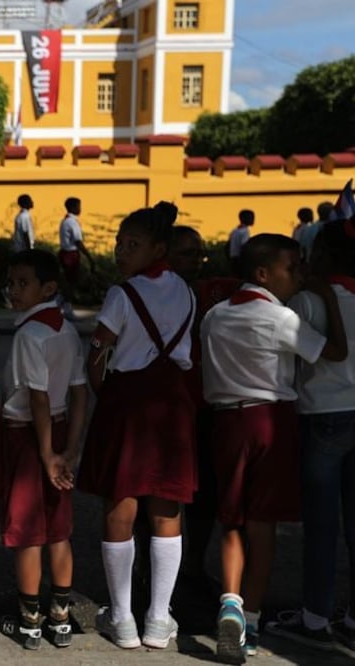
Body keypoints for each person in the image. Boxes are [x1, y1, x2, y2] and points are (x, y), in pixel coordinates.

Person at [201, 233, 347, 663]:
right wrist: (330, 302)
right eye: (292, 267)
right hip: (270, 421)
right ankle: (249, 618)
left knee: (231, 519)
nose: (299, 275)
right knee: (262, 523)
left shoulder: (215, 314)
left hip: (225, 421)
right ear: (263, 273)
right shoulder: (280, 317)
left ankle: (229, 600)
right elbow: (334, 353)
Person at [79, 205, 196, 652]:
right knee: (167, 505)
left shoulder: (121, 294)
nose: (120, 252)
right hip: (173, 403)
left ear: (157, 249)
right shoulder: (186, 291)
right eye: (119, 243)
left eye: (132, 245)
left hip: (128, 401)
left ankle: (123, 615)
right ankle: (158, 616)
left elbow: (98, 353)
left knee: (121, 499)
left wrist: (101, 392)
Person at [265, 219, 355, 653]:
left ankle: (316, 616)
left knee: (321, 524)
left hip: (322, 415)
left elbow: (287, 359)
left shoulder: (306, 300)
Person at [0, 249, 86, 650]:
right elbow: (79, 392)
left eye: (23, 283)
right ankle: (61, 617)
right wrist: (71, 449)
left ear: (48, 287)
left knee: (28, 530)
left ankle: (30, 618)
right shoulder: (66, 329)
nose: (14, 291)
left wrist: (48, 452)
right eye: (12, 282)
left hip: (30, 435)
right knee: (58, 527)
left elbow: (36, 398)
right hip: (61, 429)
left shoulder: (30, 334)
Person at [167, 225, 240, 594]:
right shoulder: (154, 293)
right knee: (161, 494)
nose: (194, 261)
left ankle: (193, 565)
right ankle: (153, 572)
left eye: (198, 254)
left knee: (205, 493)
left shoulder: (213, 290)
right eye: (185, 254)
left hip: (207, 402)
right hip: (168, 406)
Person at [58, 197, 92, 320]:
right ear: (72, 207)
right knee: (71, 283)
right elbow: (78, 241)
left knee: (70, 282)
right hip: (70, 254)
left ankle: (61, 303)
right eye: (78, 206)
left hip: (65, 253)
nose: (80, 209)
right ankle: (66, 309)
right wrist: (88, 256)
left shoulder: (65, 221)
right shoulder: (72, 222)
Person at [227, 209, 254, 275]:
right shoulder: (245, 231)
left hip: (233, 259)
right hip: (240, 259)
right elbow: (244, 246)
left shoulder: (234, 231)